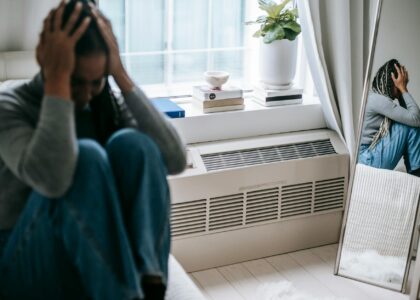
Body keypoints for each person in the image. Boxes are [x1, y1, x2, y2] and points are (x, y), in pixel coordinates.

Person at [0, 1, 186, 299]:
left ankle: (150, 284)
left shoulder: (103, 104)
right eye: (75, 81)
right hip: (21, 260)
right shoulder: (10, 105)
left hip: (89, 257)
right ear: (45, 59)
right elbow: (53, 179)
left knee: (135, 144)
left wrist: (121, 76)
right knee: (85, 156)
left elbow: (174, 160)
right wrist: (57, 81)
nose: (85, 97)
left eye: (95, 82)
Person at [358, 59, 420, 176]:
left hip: (366, 157)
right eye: (401, 81)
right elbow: (416, 118)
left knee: (410, 125)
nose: (403, 83)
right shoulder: (378, 100)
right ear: (393, 81)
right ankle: (417, 174)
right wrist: (403, 90)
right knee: (409, 126)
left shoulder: (375, 96)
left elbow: (410, 117)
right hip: (367, 160)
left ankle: (415, 174)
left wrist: (401, 91)